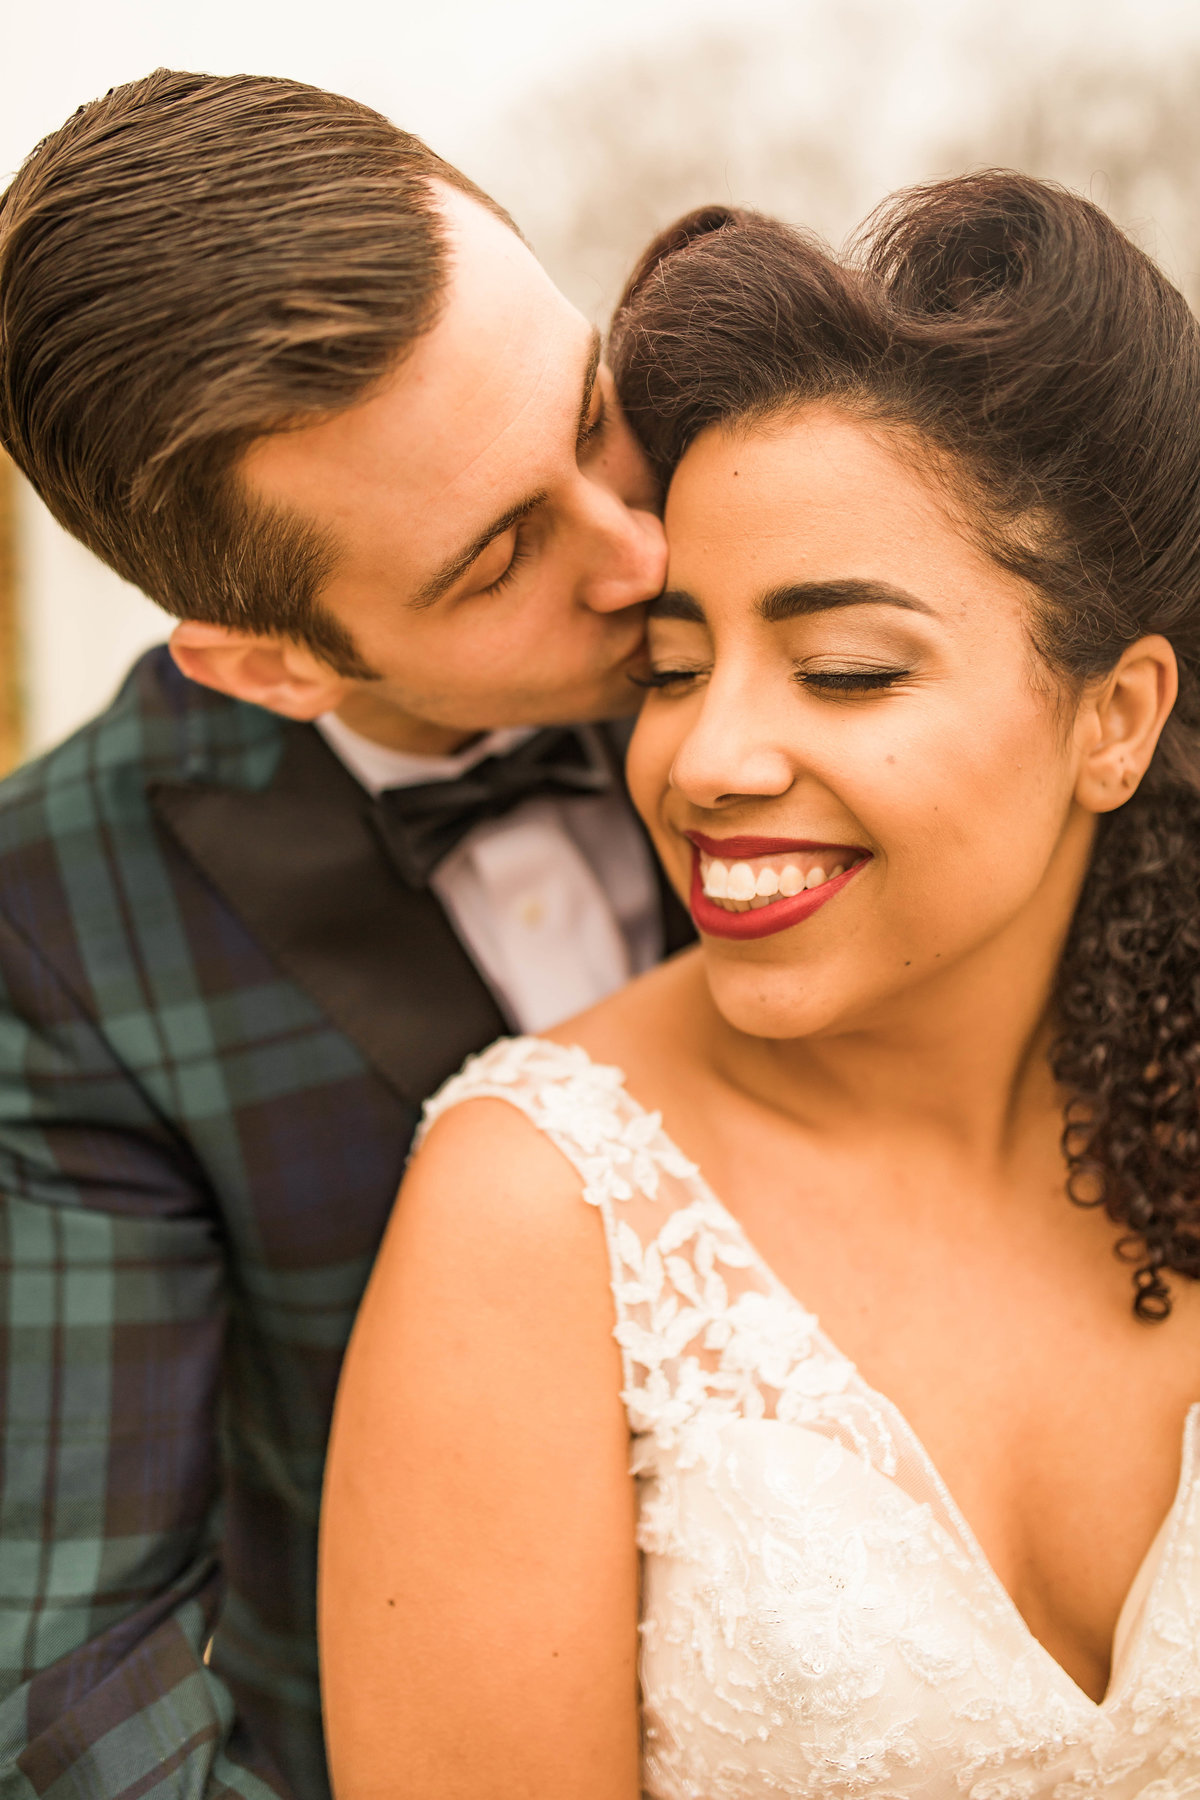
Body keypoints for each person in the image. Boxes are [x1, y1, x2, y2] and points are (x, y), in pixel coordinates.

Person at [321, 173, 1200, 1797]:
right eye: (669, 666)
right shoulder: (539, 1217)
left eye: (847, 669)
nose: (705, 756)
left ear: (1115, 718)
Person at [0, 68, 689, 1800]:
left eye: (593, 412)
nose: (642, 552)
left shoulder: (817, 599)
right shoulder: (51, 932)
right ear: (265, 661)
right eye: (497, 556)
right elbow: (76, 1691)